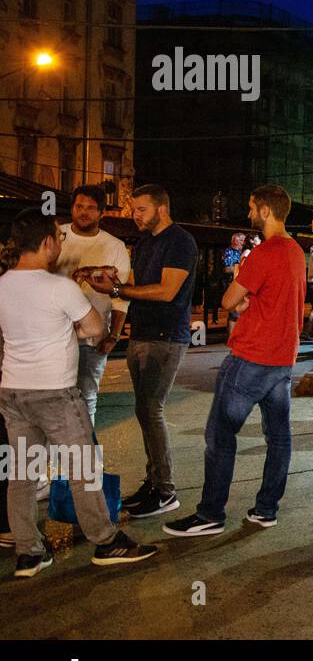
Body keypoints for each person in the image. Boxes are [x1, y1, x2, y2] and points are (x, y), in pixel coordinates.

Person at [0, 209, 157, 576]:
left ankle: (29, 552)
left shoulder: (2, 283)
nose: (60, 243)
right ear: (46, 243)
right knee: (82, 469)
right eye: (57, 237)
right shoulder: (60, 287)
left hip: (13, 392)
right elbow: (96, 330)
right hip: (55, 392)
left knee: (22, 472)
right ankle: (106, 541)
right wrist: (68, 334)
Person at [163, 186, 307, 536]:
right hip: (283, 357)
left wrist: (242, 287)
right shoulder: (296, 251)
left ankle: (210, 514)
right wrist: (250, 301)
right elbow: (269, 299)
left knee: (220, 435)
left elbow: (228, 300)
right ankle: (265, 509)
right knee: (279, 437)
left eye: (251, 208)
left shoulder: (264, 253)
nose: (248, 215)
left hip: (251, 355)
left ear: (266, 212)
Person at [87, 184, 199, 519]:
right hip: (143, 334)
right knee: (143, 411)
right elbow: (132, 280)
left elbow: (167, 291)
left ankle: (166, 491)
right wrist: (113, 280)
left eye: (141, 210)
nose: (134, 216)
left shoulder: (180, 242)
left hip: (165, 337)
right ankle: (154, 482)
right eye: (132, 209)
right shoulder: (146, 242)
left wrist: (120, 288)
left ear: (161, 208)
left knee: (152, 410)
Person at [55, 184, 130, 426]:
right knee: (54, 399)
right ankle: (54, 458)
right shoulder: (55, 237)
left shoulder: (115, 246)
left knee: (87, 398)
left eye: (91, 208)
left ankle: (83, 461)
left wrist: (114, 336)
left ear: (101, 212)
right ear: (72, 208)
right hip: (55, 335)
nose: (84, 213)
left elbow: (121, 297)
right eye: (79, 207)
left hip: (93, 339)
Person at [222, 232, 246, 326]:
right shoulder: (229, 252)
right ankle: (231, 339)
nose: (244, 242)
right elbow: (227, 268)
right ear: (236, 241)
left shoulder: (243, 251)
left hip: (242, 285)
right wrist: (243, 268)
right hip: (232, 284)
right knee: (234, 314)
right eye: (242, 240)